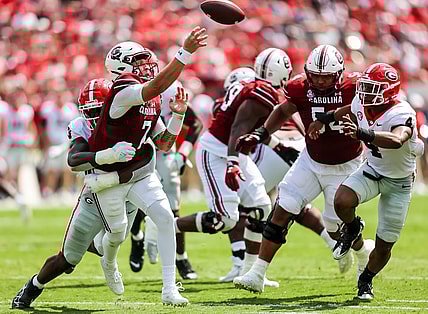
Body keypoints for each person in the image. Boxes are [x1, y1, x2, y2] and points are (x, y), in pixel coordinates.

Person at [233, 45, 375, 293]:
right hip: (310, 160)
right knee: (282, 208)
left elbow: (367, 108)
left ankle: (363, 252)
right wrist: (261, 133)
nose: (320, 81)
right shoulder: (300, 87)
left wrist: (327, 119)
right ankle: (256, 274)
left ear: (339, 73)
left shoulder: (354, 86)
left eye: (326, 76)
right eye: (316, 75)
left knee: (336, 228)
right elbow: (284, 109)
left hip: (344, 165)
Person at [83, 27, 207, 305]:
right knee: (113, 236)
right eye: (138, 61)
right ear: (122, 67)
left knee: (165, 218)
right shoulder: (122, 91)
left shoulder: (149, 98)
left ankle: (169, 289)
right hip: (110, 174)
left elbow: (163, 143)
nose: (146, 65)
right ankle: (109, 260)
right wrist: (185, 52)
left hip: (139, 172)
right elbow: (156, 86)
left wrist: (178, 116)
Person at [11, 78, 140, 309]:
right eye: (88, 111)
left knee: (106, 245)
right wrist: (106, 156)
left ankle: (135, 244)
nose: (93, 117)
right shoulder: (81, 125)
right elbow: (73, 159)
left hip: (124, 192)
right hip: (94, 194)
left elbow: (148, 156)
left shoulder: (130, 120)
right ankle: (33, 286)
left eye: (98, 110)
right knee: (68, 258)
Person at [174, 48, 293, 287]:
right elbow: (239, 129)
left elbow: (249, 129)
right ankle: (169, 224)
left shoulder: (253, 86)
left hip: (233, 150)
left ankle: (250, 273)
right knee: (225, 220)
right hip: (218, 153)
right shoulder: (261, 93)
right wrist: (232, 164)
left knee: (261, 206)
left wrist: (279, 147)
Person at [308, 63, 424, 300]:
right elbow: (347, 110)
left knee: (385, 244)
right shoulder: (362, 102)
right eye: (365, 87)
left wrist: (364, 134)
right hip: (372, 169)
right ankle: (353, 228)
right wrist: (325, 118)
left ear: (389, 91)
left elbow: (397, 139)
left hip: (399, 182)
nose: (366, 93)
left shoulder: (401, 112)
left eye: (373, 88)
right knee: (341, 201)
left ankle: (366, 279)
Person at [127, 54, 203, 279]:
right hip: (135, 150)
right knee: (132, 203)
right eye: (139, 66)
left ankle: (181, 258)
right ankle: (137, 237)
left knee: (172, 204)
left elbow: (194, 122)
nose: (146, 71)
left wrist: (183, 153)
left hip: (163, 151)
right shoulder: (126, 89)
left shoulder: (170, 89)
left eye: (149, 66)